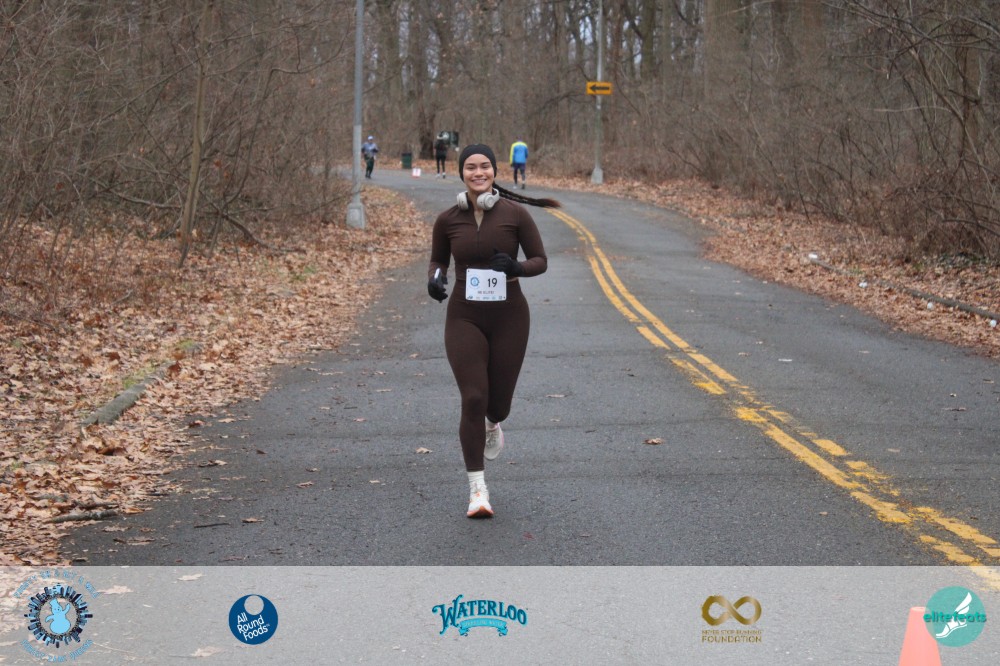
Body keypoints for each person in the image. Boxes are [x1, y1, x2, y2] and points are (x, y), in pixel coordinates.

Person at [426, 144, 560, 519]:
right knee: (473, 397)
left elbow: (541, 261)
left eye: (485, 166)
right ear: (461, 174)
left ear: (495, 172)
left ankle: (493, 423)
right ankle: (477, 490)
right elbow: (438, 260)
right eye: (471, 167)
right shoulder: (447, 219)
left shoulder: (515, 215)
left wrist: (517, 268)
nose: (478, 172)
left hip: (509, 317)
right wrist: (435, 279)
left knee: (497, 405)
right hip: (464, 317)